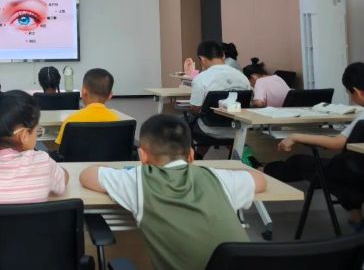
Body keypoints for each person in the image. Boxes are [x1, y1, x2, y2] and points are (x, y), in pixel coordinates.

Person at [80, 114, 265, 270]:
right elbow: (260, 180)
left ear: (142, 156)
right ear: (191, 155)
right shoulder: (216, 177)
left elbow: (87, 175)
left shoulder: (138, 179)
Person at [266, 62, 364, 229]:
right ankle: (356, 218)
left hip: (350, 174)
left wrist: (296, 136)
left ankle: (261, 170)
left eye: (349, 94)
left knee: (297, 161)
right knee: (348, 170)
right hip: (357, 172)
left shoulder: (362, 118)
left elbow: (336, 143)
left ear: (356, 91)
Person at [189, 41, 251, 139]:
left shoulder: (201, 78)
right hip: (238, 129)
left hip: (210, 129)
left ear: (202, 59)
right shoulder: (242, 77)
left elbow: (195, 108)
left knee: (182, 121)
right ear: (223, 56)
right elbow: (249, 102)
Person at [55, 68, 120, 145]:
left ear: (84, 91)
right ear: (110, 95)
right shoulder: (117, 121)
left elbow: (60, 147)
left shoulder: (71, 120)